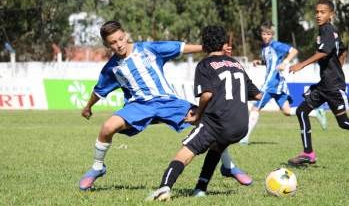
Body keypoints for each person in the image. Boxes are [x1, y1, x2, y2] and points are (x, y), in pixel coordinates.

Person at [78, 21, 252, 191]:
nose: (119, 45)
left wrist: (214, 49)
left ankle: (228, 166)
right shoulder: (112, 68)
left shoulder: (149, 49)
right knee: (108, 127)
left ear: (125, 35)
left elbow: (181, 48)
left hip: (168, 102)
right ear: (107, 45)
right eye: (113, 43)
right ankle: (97, 167)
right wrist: (88, 107)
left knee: (209, 122)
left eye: (120, 39)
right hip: (138, 106)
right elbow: (99, 90)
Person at [146, 25, 261, 201]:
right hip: (240, 127)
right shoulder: (237, 64)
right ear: (224, 44)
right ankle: (200, 189)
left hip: (217, 123)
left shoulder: (205, 65)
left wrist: (197, 115)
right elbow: (257, 94)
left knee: (184, 153)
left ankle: (164, 188)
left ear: (204, 46)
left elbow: (206, 94)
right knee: (216, 148)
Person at [239, 21, 328, 145]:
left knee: (255, 108)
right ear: (261, 34)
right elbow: (270, 62)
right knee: (286, 111)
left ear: (272, 35)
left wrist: (285, 62)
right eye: (264, 34)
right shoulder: (265, 48)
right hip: (277, 84)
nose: (266, 36)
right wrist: (259, 62)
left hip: (272, 83)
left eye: (268, 34)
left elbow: (294, 51)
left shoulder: (276, 45)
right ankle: (315, 112)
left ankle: (245, 138)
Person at [288, 0, 349, 166]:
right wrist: (338, 67)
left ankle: (308, 153)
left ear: (331, 14)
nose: (318, 15)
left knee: (344, 123)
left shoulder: (327, 29)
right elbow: (342, 50)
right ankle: (308, 153)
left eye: (323, 12)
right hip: (324, 84)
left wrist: (301, 64)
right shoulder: (328, 30)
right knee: (301, 111)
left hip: (333, 86)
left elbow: (324, 51)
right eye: (317, 12)